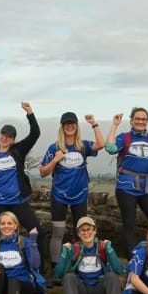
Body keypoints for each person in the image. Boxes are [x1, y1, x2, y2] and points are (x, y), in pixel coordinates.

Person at [39, 112, 105, 277]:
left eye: (72, 123)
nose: (69, 126)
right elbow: (42, 173)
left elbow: (101, 144)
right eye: (66, 123)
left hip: (80, 196)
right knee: (58, 232)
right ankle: (56, 268)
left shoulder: (82, 146)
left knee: (82, 231)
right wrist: (55, 160)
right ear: (62, 127)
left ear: (76, 126)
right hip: (59, 196)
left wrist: (94, 124)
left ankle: (81, 264)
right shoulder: (54, 147)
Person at [104, 107, 148, 257]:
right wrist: (115, 125)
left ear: (147, 121)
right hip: (126, 188)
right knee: (129, 224)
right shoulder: (125, 137)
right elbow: (110, 148)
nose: (141, 122)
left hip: (146, 189)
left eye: (144, 119)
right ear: (132, 120)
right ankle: (132, 260)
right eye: (138, 119)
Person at [53, 216, 126, 294]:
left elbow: (119, 270)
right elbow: (58, 274)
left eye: (89, 229)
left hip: (99, 290)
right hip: (81, 290)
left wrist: (110, 251)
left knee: (112, 276)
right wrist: (64, 255)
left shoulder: (102, 246)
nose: (86, 233)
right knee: (69, 277)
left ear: (95, 231)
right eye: (82, 230)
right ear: (78, 233)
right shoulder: (75, 248)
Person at [0, 102, 41, 237]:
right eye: (3, 134)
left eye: (9, 136)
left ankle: (36, 258)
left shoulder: (18, 151)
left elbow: (35, 133)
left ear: (13, 140)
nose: (5, 138)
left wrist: (30, 112)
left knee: (36, 232)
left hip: (18, 202)